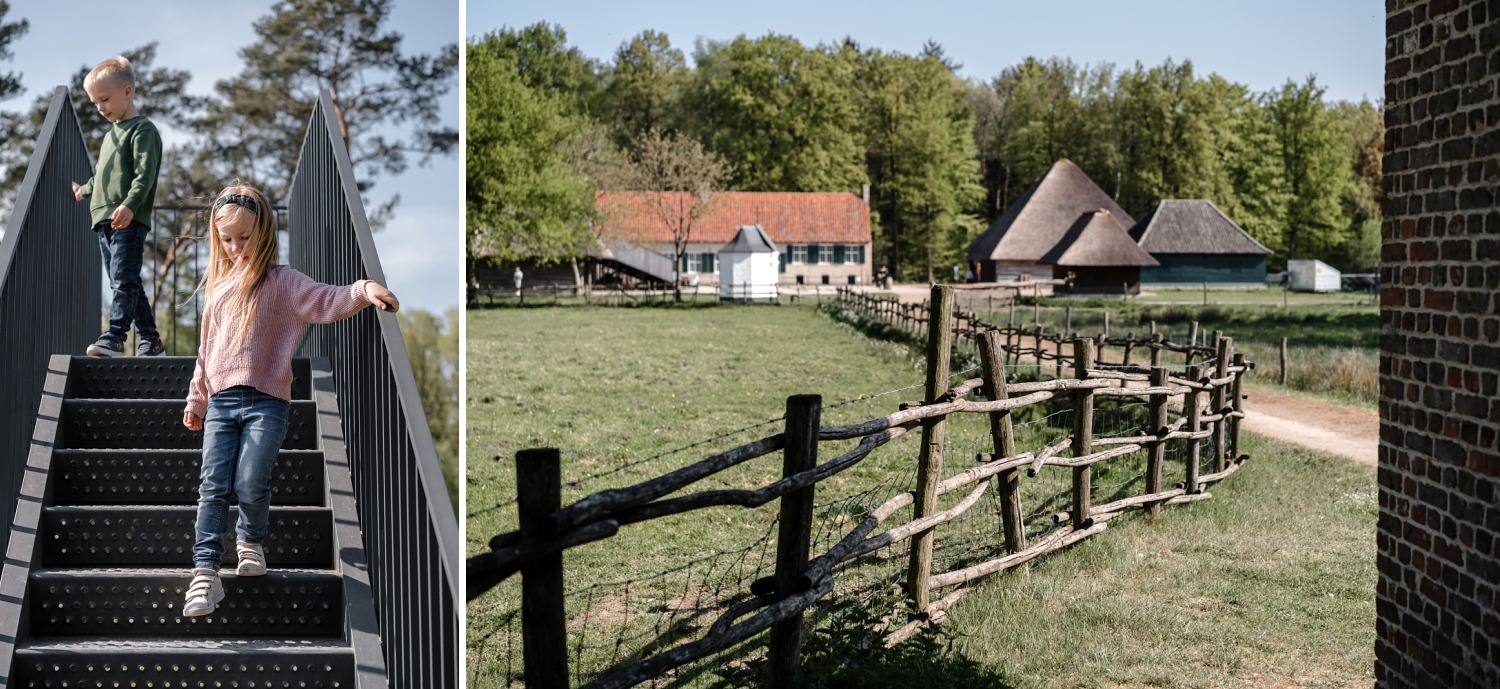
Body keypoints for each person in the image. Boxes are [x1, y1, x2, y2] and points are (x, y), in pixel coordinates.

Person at [179, 184, 399, 617]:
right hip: (221, 404)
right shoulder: (219, 289)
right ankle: (205, 572)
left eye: (245, 237)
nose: (236, 246)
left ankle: (250, 542)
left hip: (267, 402)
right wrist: (196, 399)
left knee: (249, 480)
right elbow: (206, 351)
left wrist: (365, 288)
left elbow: (327, 299)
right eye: (228, 239)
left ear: (265, 233)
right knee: (212, 485)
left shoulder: (283, 281)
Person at [72, 56, 165, 357]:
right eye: (95, 103)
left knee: (122, 280)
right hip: (103, 218)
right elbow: (101, 175)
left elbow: (145, 174)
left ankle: (115, 337)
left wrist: (130, 204)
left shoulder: (142, 131)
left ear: (127, 92)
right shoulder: (111, 135)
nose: (100, 108)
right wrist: (83, 191)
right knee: (126, 280)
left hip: (128, 217)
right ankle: (151, 341)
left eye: (104, 99)